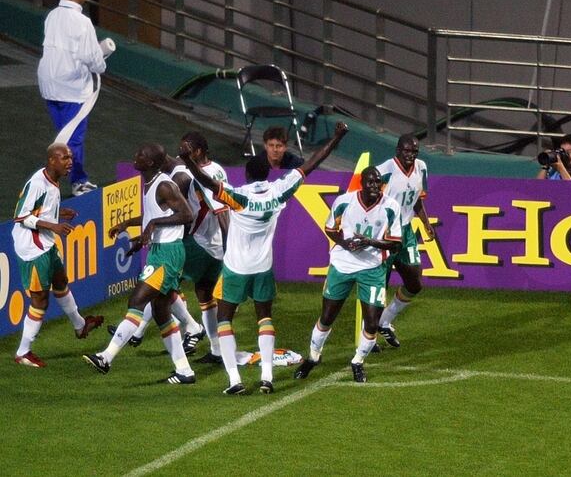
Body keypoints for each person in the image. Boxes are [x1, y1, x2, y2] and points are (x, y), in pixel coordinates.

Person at [179, 122, 349, 395]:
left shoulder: (238, 196)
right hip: (262, 267)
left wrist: (188, 161)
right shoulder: (278, 191)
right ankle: (267, 377)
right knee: (264, 318)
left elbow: (208, 181)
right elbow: (313, 163)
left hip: (236, 268)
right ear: (268, 172)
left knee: (224, 321)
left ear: (245, 174)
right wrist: (337, 136)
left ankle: (235, 380)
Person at [104, 133, 227, 361]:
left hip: (198, 243)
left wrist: (231, 250)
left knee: (159, 284)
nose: (180, 154)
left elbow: (216, 213)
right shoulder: (213, 169)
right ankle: (214, 348)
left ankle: (161, 329)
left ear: (197, 152)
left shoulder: (183, 179)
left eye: (185, 149)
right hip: (212, 244)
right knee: (201, 295)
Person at [83, 143, 197, 384]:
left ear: (152, 163)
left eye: (142, 155)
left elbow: (187, 215)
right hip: (160, 251)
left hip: (168, 254)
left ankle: (106, 357)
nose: (136, 156)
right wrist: (129, 225)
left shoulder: (164, 185)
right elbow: (155, 215)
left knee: (137, 300)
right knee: (161, 313)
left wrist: (153, 225)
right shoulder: (150, 184)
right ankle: (185, 371)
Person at [293, 166, 402, 383]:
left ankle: (358, 362)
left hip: (372, 268)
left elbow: (395, 244)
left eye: (378, 183)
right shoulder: (344, 201)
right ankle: (313, 357)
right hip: (342, 265)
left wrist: (368, 242)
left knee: (372, 323)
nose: (375, 187)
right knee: (327, 317)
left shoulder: (390, 206)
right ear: (362, 184)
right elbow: (330, 228)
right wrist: (345, 243)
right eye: (370, 182)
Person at [12, 143, 104, 367]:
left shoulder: (52, 182)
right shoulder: (37, 183)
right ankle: (23, 352)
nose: (69, 162)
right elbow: (20, 216)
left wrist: (58, 213)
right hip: (33, 249)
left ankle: (80, 325)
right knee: (40, 301)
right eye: (64, 158)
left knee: (60, 281)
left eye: (70, 157)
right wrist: (54, 226)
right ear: (51, 160)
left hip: (46, 244)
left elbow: (39, 208)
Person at [37, 0, 107, 196]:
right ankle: (78, 181)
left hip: (49, 85)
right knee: (72, 140)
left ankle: (52, 181)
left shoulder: (52, 16)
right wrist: (101, 64)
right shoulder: (82, 22)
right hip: (71, 89)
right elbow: (92, 58)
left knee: (62, 136)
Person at [374, 135, 435, 349]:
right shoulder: (384, 170)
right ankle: (369, 333)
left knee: (415, 282)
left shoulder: (422, 167)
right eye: (407, 151)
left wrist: (426, 223)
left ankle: (384, 321)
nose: (411, 155)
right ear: (398, 149)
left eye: (415, 152)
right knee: (379, 285)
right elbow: (369, 197)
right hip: (386, 233)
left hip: (407, 231)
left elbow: (416, 198)